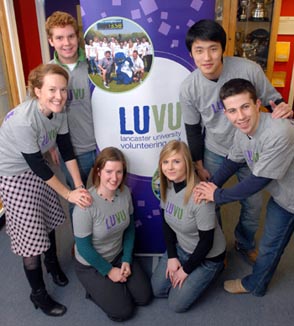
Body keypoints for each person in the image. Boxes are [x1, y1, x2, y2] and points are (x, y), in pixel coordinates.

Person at [179, 19, 293, 264]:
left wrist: (285, 109)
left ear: (223, 49)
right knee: (210, 202)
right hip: (215, 150)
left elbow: (273, 101)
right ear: (191, 54)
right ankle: (217, 247)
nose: (207, 57)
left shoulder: (248, 69)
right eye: (199, 50)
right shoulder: (189, 87)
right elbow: (192, 129)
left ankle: (244, 242)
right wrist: (198, 162)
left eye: (213, 48)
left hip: (253, 149)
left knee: (252, 205)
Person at [0, 64, 92, 316]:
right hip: (14, 173)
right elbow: (38, 167)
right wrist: (68, 193)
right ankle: (38, 294)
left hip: (37, 165)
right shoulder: (23, 121)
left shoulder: (59, 110)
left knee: (49, 218)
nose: (59, 95)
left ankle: (51, 263)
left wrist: (79, 185)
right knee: (31, 237)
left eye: (63, 89)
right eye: (52, 89)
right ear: (37, 91)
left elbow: (66, 149)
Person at [195, 78, 294, 297]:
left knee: (270, 245)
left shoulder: (279, 132)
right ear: (226, 113)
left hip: (291, 199)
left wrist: (217, 195)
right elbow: (232, 162)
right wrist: (209, 185)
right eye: (232, 111)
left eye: (245, 107)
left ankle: (254, 285)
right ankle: (256, 284)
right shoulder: (242, 132)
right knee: (270, 245)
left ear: (258, 104)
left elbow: (257, 181)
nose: (240, 117)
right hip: (284, 197)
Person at [73, 147, 152, 322]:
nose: (114, 178)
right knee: (123, 312)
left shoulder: (125, 193)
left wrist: (126, 259)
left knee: (144, 297)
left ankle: (112, 288)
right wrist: (109, 271)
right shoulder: (85, 205)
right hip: (91, 264)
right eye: (109, 171)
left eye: (119, 172)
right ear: (99, 171)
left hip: (116, 255)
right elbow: (83, 247)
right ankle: (94, 289)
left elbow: (130, 229)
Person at [151, 140, 226, 312]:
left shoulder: (200, 196)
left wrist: (185, 270)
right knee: (157, 289)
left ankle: (218, 268)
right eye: (166, 162)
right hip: (183, 248)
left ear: (187, 163)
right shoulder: (166, 186)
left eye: (176, 161)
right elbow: (166, 224)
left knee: (176, 304)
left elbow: (206, 242)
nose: (170, 167)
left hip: (208, 257)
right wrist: (171, 256)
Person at [45, 11, 97, 215]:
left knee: (112, 194)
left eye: (70, 36)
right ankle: (81, 245)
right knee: (78, 202)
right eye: (59, 37)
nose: (66, 43)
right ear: (51, 41)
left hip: (104, 144)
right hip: (72, 151)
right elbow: (42, 114)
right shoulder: (47, 73)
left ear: (78, 37)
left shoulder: (95, 65)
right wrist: (49, 145)